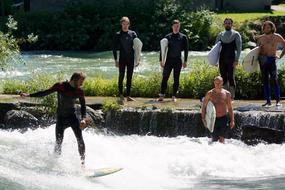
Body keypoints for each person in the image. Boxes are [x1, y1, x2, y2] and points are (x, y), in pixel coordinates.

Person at [20, 72, 87, 166]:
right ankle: (55, 164)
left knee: (80, 139)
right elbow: (44, 93)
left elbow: (83, 105)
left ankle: (83, 165)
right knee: (58, 142)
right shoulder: (60, 86)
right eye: (81, 81)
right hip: (61, 119)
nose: (82, 83)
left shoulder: (79, 91)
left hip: (72, 117)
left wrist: (83, 119)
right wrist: (29, 95)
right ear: (74, 79)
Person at [158, 19, 189, 102]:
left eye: (178, 26)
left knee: (176, 78)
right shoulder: (167, 37)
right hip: (168, 60)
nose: (176, 28)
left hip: (178, 60)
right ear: (172, 27)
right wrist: (161, 60)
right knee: (165, 77)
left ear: (179, 27)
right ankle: (162, 95)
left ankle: (174, 96)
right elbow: (162, 49)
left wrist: (185, 61)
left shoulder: (183, 37)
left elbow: (186, 50)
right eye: (175, 26)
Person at [256, 21, 285, 107]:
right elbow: (256, 51)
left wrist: (281, 55)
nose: (267, 29)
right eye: (265, 27)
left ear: (272, 28)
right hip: (263, 60)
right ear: (263, 28)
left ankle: (278, 101)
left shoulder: (277, 37)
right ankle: (268, 101)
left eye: (268, 27)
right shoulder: (260, 38)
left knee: (274, 80)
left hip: (272, 60)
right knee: (265, 81)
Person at [201, 76, 234, 143]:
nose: (217, 85)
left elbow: (230, 108)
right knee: (214, 140)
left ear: (222, 83)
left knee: (222, 140)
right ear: (214, 83)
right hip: (213, 119)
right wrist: (203, 119)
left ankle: (222, 152)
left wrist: (232, 120)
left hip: (223, 118)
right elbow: (204, 106)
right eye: (216, 83)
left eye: (219, 83)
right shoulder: (209, 93)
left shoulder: (227, 94)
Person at [112, 16, 139, 102]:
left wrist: (138, 59)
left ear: (129, 24)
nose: (125, 26)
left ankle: (128, 96)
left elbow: (137, 47)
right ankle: (121, 95)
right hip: (122, 59)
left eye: (126, 24)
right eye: (123, 24)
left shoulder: (133, 34)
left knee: (129, 77)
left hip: (131, 58)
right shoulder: (118, 34)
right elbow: (114, 48)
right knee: (121, 76)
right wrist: (116, 60)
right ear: (121, 24)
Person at [215, 18, 242, 100]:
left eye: (229, 23)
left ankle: (232, 96)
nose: (227, 24)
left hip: (231, 59)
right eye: (226, 23)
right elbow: (215, 49)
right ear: (224, 24)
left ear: (232, 24)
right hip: (222, 59)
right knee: (223, 77)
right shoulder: (220, 35)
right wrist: (215, 60)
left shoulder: (236, 34)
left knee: (231, 77)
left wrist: (237, 59)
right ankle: (225, 96)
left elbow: (239, 48)